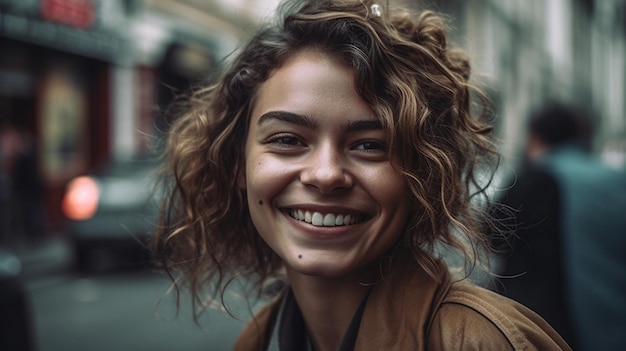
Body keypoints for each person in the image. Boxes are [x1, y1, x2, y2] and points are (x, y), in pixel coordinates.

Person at [152, 1, 571, 350]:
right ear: (237, 163)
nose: (326, 174)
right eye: (287, 139)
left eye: (369, 145)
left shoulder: (484, 342)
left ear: (421, 174)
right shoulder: (259, 340)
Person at [492, 102, 625, 351]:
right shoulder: (617, 179)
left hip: (553, 333)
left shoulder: (534, 180)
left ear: (534, 138)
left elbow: (493, 236)